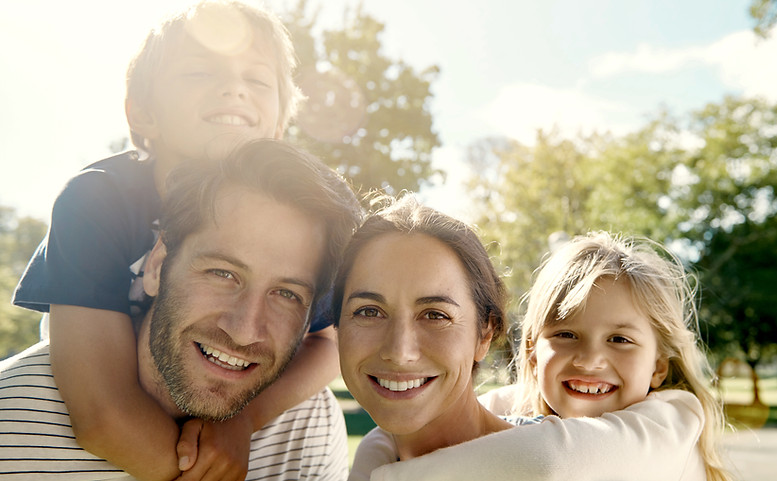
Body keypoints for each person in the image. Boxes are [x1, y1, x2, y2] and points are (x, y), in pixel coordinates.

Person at [9, 2, 338, 479]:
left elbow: (328, 344)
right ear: (143, 113)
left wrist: (241, 420)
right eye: (201, 72)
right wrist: (196, 468)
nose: (233, 88)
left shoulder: (297, 226)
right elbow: (103, 415)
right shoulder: (96, 199)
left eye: (258, 80)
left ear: (278, 127)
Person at [0, 139, 361, 480]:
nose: (244, 330)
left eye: (286, 294)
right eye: (223, 273)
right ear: (156, 267)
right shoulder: (11, 423)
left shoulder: (307, 425)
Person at [355, 231, 732, 481]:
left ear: (659, 367)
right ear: (533, 355)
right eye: (566, 335)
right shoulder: (524, 407)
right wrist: (379, 447)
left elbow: (550, 462)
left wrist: (380, 472)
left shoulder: (675, 421)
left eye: (619, 339)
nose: (589, 360)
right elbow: (399, 431)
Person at [330, 195, 515, 477]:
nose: (399, 351)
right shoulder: (374, 462)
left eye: (435, 315)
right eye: (369, 312)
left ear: (485, 334)